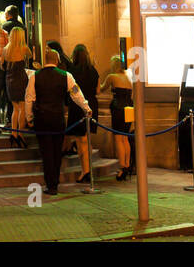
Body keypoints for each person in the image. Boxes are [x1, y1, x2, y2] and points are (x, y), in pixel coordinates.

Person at [26, 48, 92, 195]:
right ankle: (55, 182)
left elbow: (29, 98)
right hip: (57, 118)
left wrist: (29, 117)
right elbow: (76, 94)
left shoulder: (35, 76)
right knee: (57, 151)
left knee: (46, 152)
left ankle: (50, 184)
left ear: (45, 61)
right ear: (56, 60)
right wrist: (86, 107)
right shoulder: (66, 76)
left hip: (41, 118)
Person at [100, 53, 135, 180]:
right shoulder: (128, 76)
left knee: (118, 138)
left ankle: (122, 167)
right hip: (129, 108)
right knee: (125, 138)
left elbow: (101, 89)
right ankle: (127, 165)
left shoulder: (112, 76)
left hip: (118, 108)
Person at [69, 44, 99, 183]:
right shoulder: (93, 71)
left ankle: (85, 171)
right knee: (87, 139)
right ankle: (88, 170)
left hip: (78, 106)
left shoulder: (72, 71)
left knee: (81, 141)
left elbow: (71, 90)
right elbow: (98, 90)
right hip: (91, 104)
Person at [1, 26, 32, 147]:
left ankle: (13, 134)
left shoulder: (5, 49)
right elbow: (30, 56)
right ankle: (20, 134)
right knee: (22, 108)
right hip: (20, 79)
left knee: (15, 108)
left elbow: (1, 65)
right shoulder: (24, 48)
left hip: (9, 79)